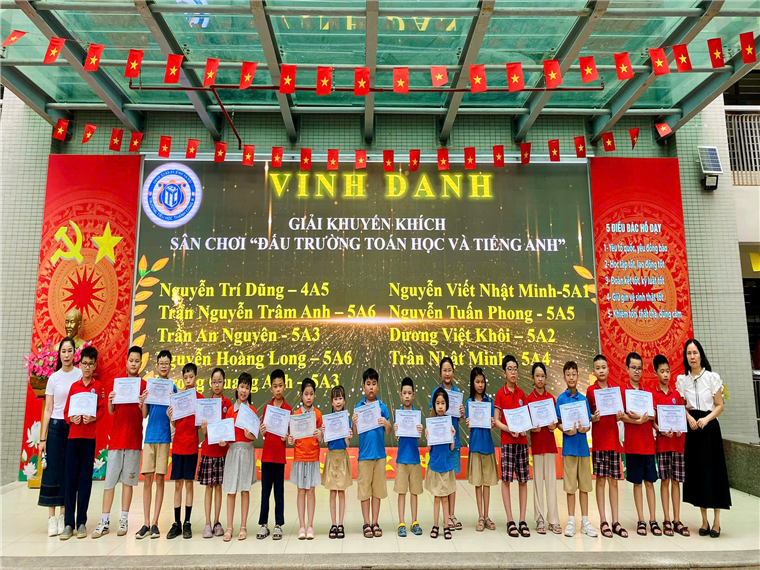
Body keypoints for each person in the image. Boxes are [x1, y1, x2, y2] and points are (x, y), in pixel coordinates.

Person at [677, 339, 731, 538]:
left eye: (695, 352)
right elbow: (681, 405)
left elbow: (719, 405)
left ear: (701, 355)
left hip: (709, 429)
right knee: (699, 473)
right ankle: (704, 520)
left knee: (714, 472)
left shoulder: (711, 377)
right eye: (689, 353)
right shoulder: (683, 380)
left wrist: (706, 419)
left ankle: (716, 521)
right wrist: (689, 418)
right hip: (693, 429)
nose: (692, 356)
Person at [92, 346, 147, 539]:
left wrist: (143, 403)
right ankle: (104, 521)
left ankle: (124, 519)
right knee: (109, 482)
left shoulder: (143, 385)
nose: (133, 364)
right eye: (131, 360)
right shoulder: (119, 383)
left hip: (133, 440)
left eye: (137, 361)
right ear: (126, 361)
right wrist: (110, 400)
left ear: (141, 363)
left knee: (128, 483)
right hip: (116, 440)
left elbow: (144, 414)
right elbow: (110, 410)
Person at [59, 346, 105, 539]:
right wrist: (72, 419)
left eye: (90, 364)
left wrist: (93, 418)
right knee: (70, 480)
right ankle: (68, 523)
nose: (87, 367)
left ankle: (82, 522)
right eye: (84, 363)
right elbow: (66, 411)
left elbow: (101, 410)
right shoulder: (74, 387)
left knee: (85, 481)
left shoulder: (98, 386)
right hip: (73, 438)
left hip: (89, 439)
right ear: (80, 364)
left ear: (94, 366)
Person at [39, 337, 82, 537]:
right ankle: (51, 518)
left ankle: (65, 516)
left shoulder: (79, 374)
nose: (66, 355)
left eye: (69, 351)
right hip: (56, 427)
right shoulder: (53, 378)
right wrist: (43, 438)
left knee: (68, 472)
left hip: (73, 427)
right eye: (63, 351)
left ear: (74, 353)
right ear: (59, 354)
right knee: (53, 471)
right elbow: (48, 409)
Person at [136, 350, 177, 539]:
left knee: (160, 479)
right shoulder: (150, 386)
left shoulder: (172, 388)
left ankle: (155, 522)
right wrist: (143, 401)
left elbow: (175, 418)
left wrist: (173, 406)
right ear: (157, 365)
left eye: (167, 363)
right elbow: (144, 414)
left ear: (170, 366)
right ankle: (145, 522)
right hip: (150, 437)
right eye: (161, 363)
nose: (163, 366)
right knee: (147, 479)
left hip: (164, 437)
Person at [587, 355, 627, 538]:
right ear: (594, 371)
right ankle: (603, 520)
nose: (601, 370)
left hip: (613, 441)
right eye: (598, 368)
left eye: (603, 367)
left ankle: (615, 521)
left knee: (614, 481)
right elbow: (587, 415)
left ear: (608, 369)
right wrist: (592, 417)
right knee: (601, 481)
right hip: (599, 442)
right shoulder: (590, 391)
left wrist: (620, 415)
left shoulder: (614, 390)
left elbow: (621, 414)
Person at [621, 352, 660, 537]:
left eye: (639, 368)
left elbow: (653, 414)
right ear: (627, 369)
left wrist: (641, 417)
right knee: (637, 483)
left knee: (650, 483)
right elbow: (622, 416)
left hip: (648, 444)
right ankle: (641, 519)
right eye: (633, 368)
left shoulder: (647, 392)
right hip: (633, 445)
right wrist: (637, 419)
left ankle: (653, 519)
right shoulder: (623, 392)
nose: (637, 371)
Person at [556, 361, 597, 538]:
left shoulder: (583, 400)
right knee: (570, 488)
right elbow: (558, 423)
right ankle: (571, 521)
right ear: (564, 377)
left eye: (574, 374)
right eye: (568, 374)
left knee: (585, 487)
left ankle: (585, 521)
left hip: (583, 450)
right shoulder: (561, 399)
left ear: (578, 376)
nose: (571, 377)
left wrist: (583, 428)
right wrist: (565, 430)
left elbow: (587, 425)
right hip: (569, 450)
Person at [652, 354, 688, 537]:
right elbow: (653, 422)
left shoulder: (676, 395)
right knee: (665, 481)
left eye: (668, 371)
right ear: (656, 373)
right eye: (662, 371)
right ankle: (666, 519)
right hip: (663, 444)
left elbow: (681, 418)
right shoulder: (653, 395)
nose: (666, 374)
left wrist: (681, 429)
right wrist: (661, 430)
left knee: (676, 482)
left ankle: (677, 520)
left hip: (677, 444)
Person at [494, 355, 530, 538]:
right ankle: (510, 520)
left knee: (523, 481)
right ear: (504, 373)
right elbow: (496, 421)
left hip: (522, 443)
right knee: (506, 480)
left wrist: (524, 429)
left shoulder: (522, 394)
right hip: (508, 443)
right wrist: (510, 429)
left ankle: (522, 520)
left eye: (515, 369)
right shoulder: (500, 394)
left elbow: (527, 418)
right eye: (510, 369)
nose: (513, 372)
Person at [353, 367, 391, 538]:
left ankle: (375, 522)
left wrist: (386, 423)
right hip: (364, 456)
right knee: (364, 491)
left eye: (374, 384)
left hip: (380, 456)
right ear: (363, 387)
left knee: (377, 491)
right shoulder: (359, 407)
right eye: (368, 384)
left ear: (377, 386)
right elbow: (354, 432)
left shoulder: (382, 407)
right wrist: (354, 423)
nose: (371, 387)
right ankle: (366, 523)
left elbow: (389, 431)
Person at [166, 362, 203, 539]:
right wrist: (171, 417)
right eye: (185, 377)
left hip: (191, 447)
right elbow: (175, 424)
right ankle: (176, 523)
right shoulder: (178, 398)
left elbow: (201, 424)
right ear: (182, 379)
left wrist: (198, 413)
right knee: (177, 485)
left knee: (189, 484)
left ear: (196, 378)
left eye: (191, 377)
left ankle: (187, 522)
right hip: (178, 446)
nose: (188, 380)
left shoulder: (200, 398)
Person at [220, 373, 257, 541]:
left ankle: (243, 526)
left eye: (247, 388)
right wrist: (223, 442)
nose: (244, 391)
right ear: (237, 388)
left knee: (244, 490)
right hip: (233, 452)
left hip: (246, 451)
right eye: (242, 387)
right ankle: (229, 527)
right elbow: (226, 435)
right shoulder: (230, 411)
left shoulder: (252, 411)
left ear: (250, 391)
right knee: (231, 490)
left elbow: (254, 437)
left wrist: (250, 435)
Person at [430, 357, 464, 531]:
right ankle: (443, 518)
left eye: (450, 370)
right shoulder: (436, 392)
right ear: (440, 373)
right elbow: (431, 416)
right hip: (438, 445)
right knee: (441, 481)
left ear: (453, 372)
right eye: (444, 370)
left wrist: (462, 414)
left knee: (451, 480)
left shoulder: (457, 394)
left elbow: (459, 420)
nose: (447, 373)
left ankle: (451, 515)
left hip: (453, 442)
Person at [256, 369, 291, 541]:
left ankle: (278, 524)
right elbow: (264, 431)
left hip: (279, 457)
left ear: (284, 387)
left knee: (279, 492)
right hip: (267, 457)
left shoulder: (288, 409)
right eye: (275, 386)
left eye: (280, 386)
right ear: (271, 389)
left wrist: (287, 436)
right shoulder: (267, 408)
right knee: (265, 492)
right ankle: (264, 524)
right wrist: (262, 431)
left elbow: (289, 434)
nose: (278, 389)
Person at [526, 362, 561, 535]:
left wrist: (554, 425)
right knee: (538, 482)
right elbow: (526, 423)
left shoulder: (551, 399)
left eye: (542, 376)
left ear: (545, 378)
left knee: (552, 483)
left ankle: (553, 519)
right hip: (537, 444)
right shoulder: (529, 399)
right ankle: (539, 517)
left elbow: (556, 421)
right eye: (537, 376)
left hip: (550, 443)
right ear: (533, 378)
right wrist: (532, 428)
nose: (540, 379)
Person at [199, 367, 232, 538]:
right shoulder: (206, 404)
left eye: (219, 381)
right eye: (214, 382)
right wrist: (204, 429)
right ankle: (207, 523)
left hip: (222, 452)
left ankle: (217, 522)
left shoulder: (228, 405)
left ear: (224, 383)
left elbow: (229, 429)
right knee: (209, 488)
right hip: (208, 451)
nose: (217, 385)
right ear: (210, 384)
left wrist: (226, 439)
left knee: (219, 487)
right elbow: (204, 432)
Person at [289, 378, 323, 540]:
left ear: (314, 395)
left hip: (313, 457)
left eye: (311, 394)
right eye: (306, 394)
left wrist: (320, 434)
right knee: (301, 491)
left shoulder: (318, 414)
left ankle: (310, 525)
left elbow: (321, 438)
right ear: (301, 395)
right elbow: (292, 438)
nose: (308, 397)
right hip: (300, 457)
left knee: (311, 491)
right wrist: (290, 439)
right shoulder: (296, 415)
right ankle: (301, 526)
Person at [465, 367, 498, 532]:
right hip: (475, 447)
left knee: (487, 483)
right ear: (472, 383)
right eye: (477, 382)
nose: (480, 385)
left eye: (482, 382)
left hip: (488, 446)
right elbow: (470, 427)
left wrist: (492, 423)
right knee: (478, 483)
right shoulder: (469, 403)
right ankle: (480, 516)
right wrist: (468, 423)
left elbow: (492, 424)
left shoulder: (489, 402)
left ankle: (486, 516)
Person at [393, 377, 423, 537]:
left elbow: (421, 436)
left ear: (413, 395)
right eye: (404, 393)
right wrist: (396, 429)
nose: (407, 396)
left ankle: (414, 521)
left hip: (415, 459)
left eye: (409, 393)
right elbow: (396, 435)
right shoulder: (398, 415)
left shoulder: (417, 415)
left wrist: (421, 430)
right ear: (400, 395)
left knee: (414, 492)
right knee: (401, 492)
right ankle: (401, 523)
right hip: (401, 459)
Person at [425, 387, 457, 540]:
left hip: (446, 466)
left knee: (445, 498)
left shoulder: (448, 423)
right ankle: (435, 525)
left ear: (447, 405)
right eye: (437, 403)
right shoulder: (431, 423)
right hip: (435, 466)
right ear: (434, 405)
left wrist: (452, 435)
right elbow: (429, 448)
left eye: (443, 403)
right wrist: (428, 436)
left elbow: (451, 448)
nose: (440, 406)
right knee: (437, 498)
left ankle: (446, 526)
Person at [322, 385, 352, 540]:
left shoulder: (346, 419)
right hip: (331, 456)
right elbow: (326, 443)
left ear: (344, 401)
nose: (338, 401)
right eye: (335, 399)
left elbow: (347, 444)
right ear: (332, 402)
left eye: (340, 398)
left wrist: (348, 435)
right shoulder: (327, 420)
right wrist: (324, 432)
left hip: (342, 456)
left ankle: (341, 524)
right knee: (332, 492)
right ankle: (333, 524)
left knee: (341, 492)